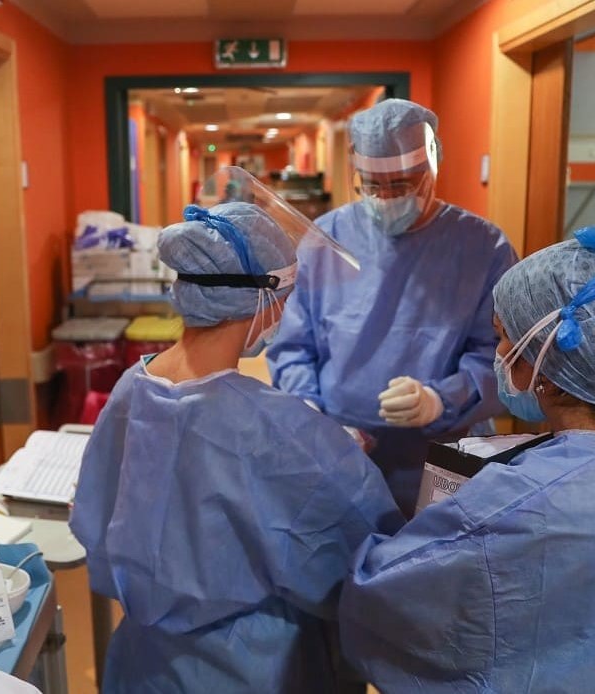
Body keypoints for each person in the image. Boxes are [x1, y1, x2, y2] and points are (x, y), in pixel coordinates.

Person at [338, 226, 595, 692]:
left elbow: (383, 597)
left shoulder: (521, 503)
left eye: (504, 338)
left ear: (548, 361)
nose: (499, 355)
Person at [70, 201, 403, 693]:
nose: (285, 313)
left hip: (144, 664)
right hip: (252, 667)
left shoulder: (129, 389)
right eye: (285, 299)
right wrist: (336, 452)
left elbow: (98, 523)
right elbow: (359, 560)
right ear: (263, 301)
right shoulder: (273, 428)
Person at [267, 98, 517, 517]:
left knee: (431, 563)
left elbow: (499, 357)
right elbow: (294, 345)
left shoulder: (482, 248)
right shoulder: (326, 238)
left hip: (438, 451)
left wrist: (439, 400)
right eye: (371, 185)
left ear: (431, 169)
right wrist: (310, 415)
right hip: (339, 443)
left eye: (400, 186)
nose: (384, 199)